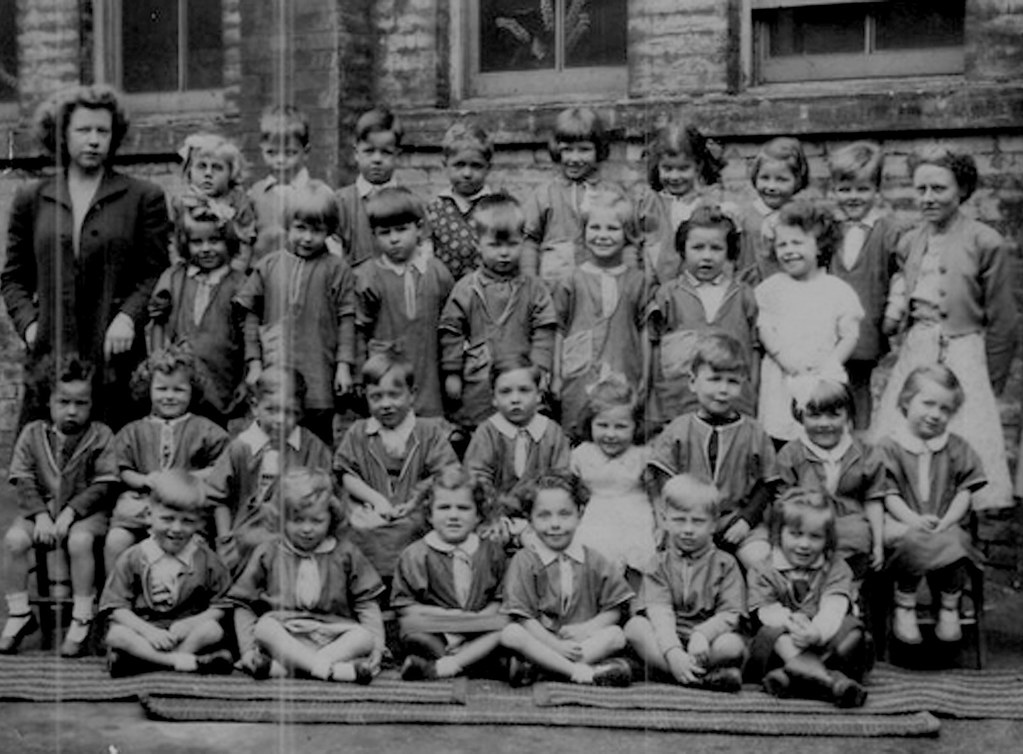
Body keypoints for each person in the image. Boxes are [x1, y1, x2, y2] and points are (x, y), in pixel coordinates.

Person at [1, 84, 170, 431]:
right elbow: (13, 278)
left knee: (115, 461)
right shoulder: (32, 199)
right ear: (62, 134)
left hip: (114, 355)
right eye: (83, 130)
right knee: (47, 465)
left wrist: (128, 317)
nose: (93, 140)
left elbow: (156, 272)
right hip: (52, 352)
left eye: (102, 131)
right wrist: (31, 326)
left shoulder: (143, 197)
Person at [874, 146, 1018, 511]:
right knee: (909, 436)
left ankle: (960, 543)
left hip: (964, 353)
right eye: (920, 190)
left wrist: (991, 381)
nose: (927, 198)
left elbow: (1002, 320)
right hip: (918, 349)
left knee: (961, 441)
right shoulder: (909, 242)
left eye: (938, 189)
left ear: (962, 190)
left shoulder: (986, 242)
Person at [0, 356, 117, 657]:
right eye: (63, 402)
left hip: (87, 516)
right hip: (41, 513)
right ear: (47, 400)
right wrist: (40, 516)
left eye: (82, 403)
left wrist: (69, 512)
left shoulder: (100, 435)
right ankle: (19, 613)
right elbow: (23, 479)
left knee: (79, 541)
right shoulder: (32, 433)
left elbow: (103, 485)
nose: (72, 411)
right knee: (14, 541)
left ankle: (81, 615)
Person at [228, 468, 384, 683]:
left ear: (331, 517)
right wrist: (247, 650)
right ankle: (328, 670)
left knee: (364, 638)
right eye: (297, 520)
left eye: (317, 521)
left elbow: (366, 603)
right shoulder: (269, 551)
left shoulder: (345, 553)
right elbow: (243, 604)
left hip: (332, 635)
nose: (307, 529)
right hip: (286, 634)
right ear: (282, 519)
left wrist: (377, 648)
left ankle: (297, 667)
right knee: (264, 627)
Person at [235, 179, 356, 447]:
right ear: (287, 225)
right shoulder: (268, 265)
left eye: (317, 230)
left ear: (329, 231)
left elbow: (347, 319)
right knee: (272, 437)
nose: (307, 238)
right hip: (275, 370)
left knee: (317, 440)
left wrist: (344, 367)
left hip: (318, 373)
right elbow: (251, 314)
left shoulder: (337, 269)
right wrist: (254, 363)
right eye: (300, 228)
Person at [647, 332, 777, 569]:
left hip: (734, 519)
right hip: (689, 521)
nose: (723, 389)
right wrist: (669, 522)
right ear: (693, 382)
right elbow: (663, 481)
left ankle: (761, 606)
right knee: (665, 560)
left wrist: (747, 521)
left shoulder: (754, 432)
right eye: (715, 379)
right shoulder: (679, 429)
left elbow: (766, 485)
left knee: (760, 559)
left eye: (733, 381)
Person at [877, 366, 986, 647]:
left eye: (945, 409)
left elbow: (965, 491)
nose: (936, 414)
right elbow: (888, 493)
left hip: (944, 525)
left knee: (958, 541)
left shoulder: (957, 447)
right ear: (906, 401)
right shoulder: (890, 447)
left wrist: (949, 519)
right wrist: (912, 519)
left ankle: (949, 604)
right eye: (927, 403)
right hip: (903, 524)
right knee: (911, 540)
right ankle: (905, 603)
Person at [335, 351, 458, 590]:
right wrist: (375, 500)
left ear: (411, 395)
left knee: (412, 530)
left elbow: (444, 474)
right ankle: (369, 592)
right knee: (360, 529)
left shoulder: (428, 431)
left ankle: (408, 590)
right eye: (376, 397)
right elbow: (346, 473)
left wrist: (413, 503)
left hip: (414, 512)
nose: (386, 404)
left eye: (394, 395)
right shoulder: (359, 432)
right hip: (370, 509)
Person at [499, 471, 634, 687]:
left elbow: (614, 609)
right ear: (530, 520)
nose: (555, 524)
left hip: (580, 642)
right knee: (511, 634)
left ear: (580, 513)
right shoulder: (524, 560)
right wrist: (554, 645)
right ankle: (581, 672)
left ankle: (541, 669)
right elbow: (523, 617)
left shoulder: (594, 559)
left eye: (564, 514)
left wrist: (587, 629)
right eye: (544, 515)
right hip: (541, 640)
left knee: (616, 635)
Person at [439, 193, 559, 435]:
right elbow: (451, 330)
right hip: (479, 380)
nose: (504, 253)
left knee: (523, 429)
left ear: (523, 243)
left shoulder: (534, 288)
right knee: (479, 433)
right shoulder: (466, 288)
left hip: (522, 375)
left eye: (512, 245)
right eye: (495, 245)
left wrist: (540, 368)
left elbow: (544, 330)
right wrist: (452, 372)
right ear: (478, 244)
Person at [105, 347, 229, 574]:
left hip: (186, 509)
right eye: (161, 389)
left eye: (179, 390)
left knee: (195, 548)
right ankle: (116, 598)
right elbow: (122, 468)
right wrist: (145, 480)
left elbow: (222, 467)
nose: (169, 396)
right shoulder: (133, 431)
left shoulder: (205, 429)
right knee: (116, 540)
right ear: (148, 390)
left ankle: (187, 598)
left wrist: (188, 478)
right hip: (142, 506)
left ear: (192, 391)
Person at [747, 488, 872, 708]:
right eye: (795, 534)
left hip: (825, 640)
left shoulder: (835, 567)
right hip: (787, 641)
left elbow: (834, 605)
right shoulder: (763, 569)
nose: (804, 544)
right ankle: (831, 682)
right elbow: (766, 611)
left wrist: (817, 633)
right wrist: (794, 625)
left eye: (815, 537)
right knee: (771, 635)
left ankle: (793, 678)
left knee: (853, 631)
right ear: (779, 533)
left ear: (828, 540)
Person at [100, 470, 233, 677]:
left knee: (212, 630)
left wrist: (190, 624)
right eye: (167, 519)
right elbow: (116, 608)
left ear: (200, 522)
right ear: (149, 515)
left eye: (188, 521)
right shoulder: (133, 557)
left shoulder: (207, 559)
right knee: (117, 634)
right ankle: (182, 661)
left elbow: (221, 605)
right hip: (145, 632)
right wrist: (148, 632)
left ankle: (149, 663)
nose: (177, 528)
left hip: (185, 633)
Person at [204, 366, 332, 579]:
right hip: (245, 537)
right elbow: (218, 497)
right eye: (272, 410)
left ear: (300, 412)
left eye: (290, 412)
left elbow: (327, 495)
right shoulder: (241, 447)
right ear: (255, 407)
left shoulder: (312, 447)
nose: (280, 420)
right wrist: (225, 540)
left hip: (299, 534)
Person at [624, 474, 747, 692]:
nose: (688, 529)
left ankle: (672, 672)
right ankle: (693, 676)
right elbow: (659, 612)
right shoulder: (658, 563)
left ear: (713, 524)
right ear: (665, 520)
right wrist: (673, 651)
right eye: (679, 520)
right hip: (666, 639)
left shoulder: (725, 564)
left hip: (704, 643)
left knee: (731, 646)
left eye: (698, 521)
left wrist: (702, 635)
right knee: (635, 629)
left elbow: (730, 614)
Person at [756, 200, 864, 445]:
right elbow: (765, 328)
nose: (788, 250)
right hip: (784, 373)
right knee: (781, 428)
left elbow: (849, 334)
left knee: (822, 428)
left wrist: (831, 363)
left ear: (819, 246)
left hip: (822, 374)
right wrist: (786, 360)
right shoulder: (772, 289)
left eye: (797, 242)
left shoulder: (836, 290)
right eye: (782, 244)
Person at [390, 465, 509, 680]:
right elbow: (405, 608)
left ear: (478, 515)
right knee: (411, 631)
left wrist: (480, 617)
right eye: (444, 508)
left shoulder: (492, 552)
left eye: (463, 508)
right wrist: (448, 616)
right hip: (436, 626)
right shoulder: (415, 554)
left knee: (506, 629)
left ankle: (444, 665)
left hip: (479, 626)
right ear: (429, 514)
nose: (453, 516)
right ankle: (473, 662)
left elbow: (500, 600)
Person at [647, 204, 758, 432]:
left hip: (733, 403)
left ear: (729, 251)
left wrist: (752, 392)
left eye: (716, 248)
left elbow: (755, 349)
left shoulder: (743, 295)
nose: (706, 256)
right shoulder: (669, 294)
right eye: (697, 247)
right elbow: (656, 349)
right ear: (682, 250)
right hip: (681, 404)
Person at [551, 191, 648, 441]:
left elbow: (646, 330)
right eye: (595, 227)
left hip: (624, 371)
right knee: (578, 434)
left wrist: (646, 377)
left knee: (618, 432)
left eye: (612, 228)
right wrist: (556, 375)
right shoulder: (571, 279)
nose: (602, 235)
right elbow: (558, 329)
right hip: (578, 376)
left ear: (626, 233)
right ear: (583, 231)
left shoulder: (638, 281)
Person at [776, 377, 888, 588]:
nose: (824, 423)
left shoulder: (865, 453)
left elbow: (874, 499)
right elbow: (782, 507)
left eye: (834, 415)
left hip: (851, 531)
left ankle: (848, 598)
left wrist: (879, 544)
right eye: (815, 415)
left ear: (848, 415)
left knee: (855, 536)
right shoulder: (791, 454)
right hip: (806, 530)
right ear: (800, 415)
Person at [825, 141, 905, 429]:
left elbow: (902, 274)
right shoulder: (828, 228)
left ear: (876, 190)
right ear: (833, 190)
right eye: (844, 189)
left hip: (866, 323)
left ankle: (860, 443)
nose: (853, 197)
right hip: (828, 324)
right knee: (828, 385)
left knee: (858, 385)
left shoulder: (888, 231)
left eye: (862, 189)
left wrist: (894, 311)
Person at [358, 187, 455, 418]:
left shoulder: (436, 272)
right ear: (374, 235)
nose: (394, 239)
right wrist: (359, 374)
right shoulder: (369, 275)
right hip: (385, 373)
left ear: (419, 228)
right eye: (385, 232)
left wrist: (452, 369)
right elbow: (359, 330)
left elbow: (453, 326)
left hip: (429, 369)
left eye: (402, 230)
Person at [148, 205, 248, 428]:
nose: (206, 249)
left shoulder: (239, 283)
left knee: (215, 433)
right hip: (181, 380)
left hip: (223, 377)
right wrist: (158, 360)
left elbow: (249, 335)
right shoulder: (175, 277)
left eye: (214, 241)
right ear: (185, 244)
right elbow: (157, 321)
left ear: (229, 242)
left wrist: (246, 378)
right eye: (197, 242)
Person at [464, 355, 571, 543]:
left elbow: (561, 478)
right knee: (487, 542)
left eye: (524, 391)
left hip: (543, 514)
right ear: (494, 398)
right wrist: (494, 516)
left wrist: (540, 515)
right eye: (505, 392)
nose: (515, 399)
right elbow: (477, 480)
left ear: (538, 394)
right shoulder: (487, 432)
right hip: (495, 516)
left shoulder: (551, 432)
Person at [522, 107, 630, 281]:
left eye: (584, 149)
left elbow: (629, 242)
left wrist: (628, 280)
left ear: (598, 150)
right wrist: (531, 281)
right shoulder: (544, 195)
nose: (575, 158)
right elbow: (529, 241)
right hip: (554, 284)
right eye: (567, 149)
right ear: (557, 149)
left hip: (600, 285)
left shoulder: (612, 193)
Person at [570, 375, 655, 579]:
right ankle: (602, 602)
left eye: (621, 427)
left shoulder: (641, 455)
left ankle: (637, 605)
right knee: (593, 551)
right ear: (590, 423)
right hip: (597, 512)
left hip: (636, 512)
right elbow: (572, 490)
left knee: (638, 553)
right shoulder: (582, 454)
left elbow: (656, 492)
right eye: (603, 425)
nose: (611, 434)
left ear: (635, 426)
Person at [633, 119, 730, 281]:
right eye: (667, 168)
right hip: (657, 289)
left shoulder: (709, 204)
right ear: (657, 166)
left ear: (698, 166)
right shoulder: (649, 203)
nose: (675, 176)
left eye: (683, 168)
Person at [170, 132, 257, 270]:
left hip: (230, 269)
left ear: (231, 173)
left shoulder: (238, 201)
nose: (208, 173)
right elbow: (174, 242)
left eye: (217, 167)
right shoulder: (182, 202)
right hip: (192, 271)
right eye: (201, 166)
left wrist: (236, 274)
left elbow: (246, 241)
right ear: (189, 171)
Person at [424, 121, 497, 282]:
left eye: (476, 166)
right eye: (459, 165)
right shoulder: (434, 209)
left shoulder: (496, 206)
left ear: (488, 168)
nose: (467, 173)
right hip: (446, 294)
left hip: (488, 290)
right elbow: (426, 256)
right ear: (445, 165)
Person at [335, 107, 405, 269]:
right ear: (356, 153)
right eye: (369, 151)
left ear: (398, 156)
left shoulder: (410, 203)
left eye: (386, 152)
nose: (377, 159)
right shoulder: (340, 203)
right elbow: (333, 260)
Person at [735, 137, 809, 285]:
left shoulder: (800, 217)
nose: (771, 186)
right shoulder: (744, 216)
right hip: (750, 291)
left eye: (781, 180)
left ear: (797, 181)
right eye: (765, 178)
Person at [247, 105, 314, 262]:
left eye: (290, 152)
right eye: (271, 152)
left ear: (306, 152)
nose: (280, 160)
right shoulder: (255, 193)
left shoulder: (316, 193)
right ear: (262, 150)